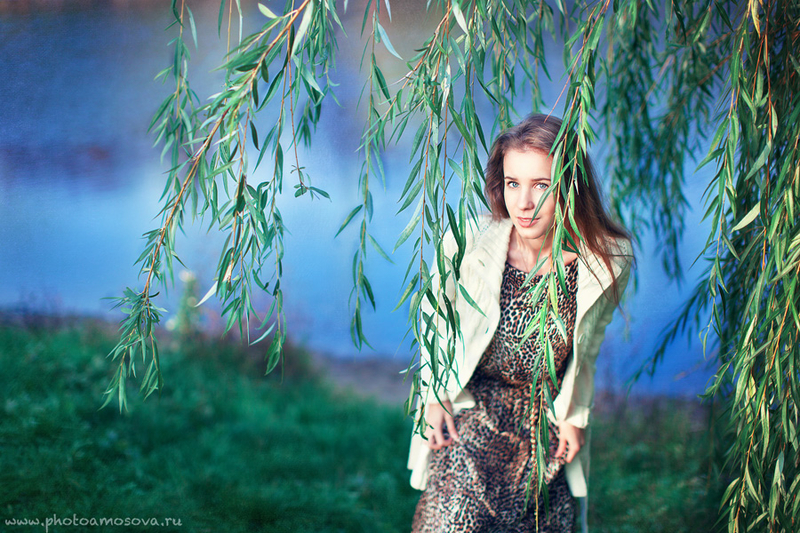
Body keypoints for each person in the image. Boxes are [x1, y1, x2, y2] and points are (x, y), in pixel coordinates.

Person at [407, 114, 633, 533]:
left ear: (571, 186)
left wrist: (574, 416)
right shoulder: (468, 241)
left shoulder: (605, 261)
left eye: (541, 185)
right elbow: (435, 320)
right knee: (451, 524)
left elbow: (588, 349)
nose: (523, 203)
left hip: (543, 422)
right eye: (513, 183)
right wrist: (434, 396)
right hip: (473, 409)